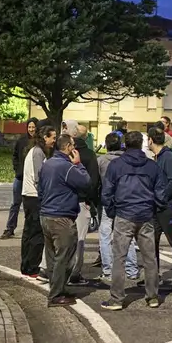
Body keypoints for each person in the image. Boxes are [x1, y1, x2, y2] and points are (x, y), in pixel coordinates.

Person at [100, 131, 165, 310]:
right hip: (145, 214)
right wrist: (155, 209)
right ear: (141, 144)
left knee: (119, 258)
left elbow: (107, 192)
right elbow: (160, 192)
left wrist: (113, 211)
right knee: (150, 258)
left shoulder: (116, 165)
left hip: (124, 213)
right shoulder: (151, 166)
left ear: (125, 144)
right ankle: (152, 296)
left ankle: (117, 298)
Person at [38, 134, 90, 307]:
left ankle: (57, 288)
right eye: (73, 146)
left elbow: (41, 189)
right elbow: (85, 181)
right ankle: (56, 294)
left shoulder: (47, 164)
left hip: (46, 214)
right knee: (65, 257)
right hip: (61, 216)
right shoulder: (66, 167)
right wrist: (79, 163)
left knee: (52, 256)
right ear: (68, 147)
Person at [147, 126, 172, 292]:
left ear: (151, 140)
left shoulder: (168, 157)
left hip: (171, 207)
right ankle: (152, 275)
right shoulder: (155, 158)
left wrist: (161, 197)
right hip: (157, 208)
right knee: (151, 243)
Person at [96, 133, 139, 284]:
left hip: (107, 200)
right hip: (125, 199)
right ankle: (132, 269)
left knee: (105, 234)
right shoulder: (126, 160)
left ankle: (108, 269)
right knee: (127, 235)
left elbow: (96, 182)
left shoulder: (101, 161)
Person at [64, 120, 101, 287]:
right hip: (81, 202)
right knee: (79, 240)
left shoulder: (61, 153)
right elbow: (93, 182)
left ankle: (55, 270)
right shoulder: (89, 155)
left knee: (60, 239)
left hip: (63, 202)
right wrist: (90, 200)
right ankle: (74, 273)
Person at [20, 125, 56, 279]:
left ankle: (27, 265)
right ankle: (32, 266)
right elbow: (38, 177)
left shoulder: (36, 151)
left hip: (30, 196)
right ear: (45, 137)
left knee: (29, 232)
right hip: (34, 197)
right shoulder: (38, 153)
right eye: (52, 137)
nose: (54, 141)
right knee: (35, 233)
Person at [2, 118, 38, 240]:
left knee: (32, 205)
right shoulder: (22, 140)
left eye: (33, 127)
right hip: (20, 177)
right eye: (29, 127)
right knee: (15, 204)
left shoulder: (40, 142)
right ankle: (10, 228)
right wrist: (17, 169)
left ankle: (31, 230)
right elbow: (15, 156)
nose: (31, 129)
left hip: (33, 180)